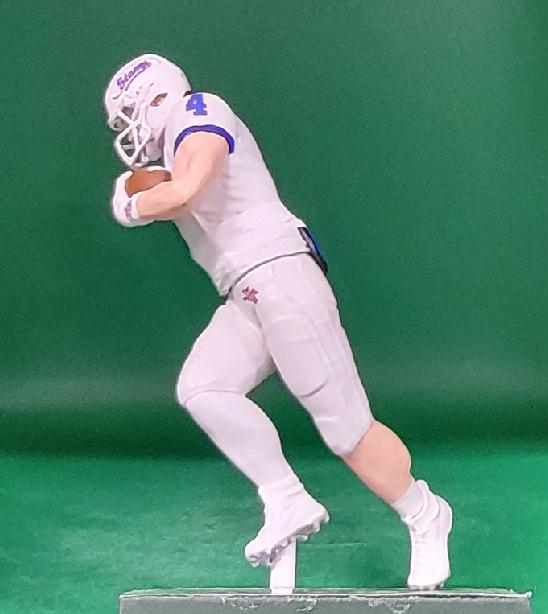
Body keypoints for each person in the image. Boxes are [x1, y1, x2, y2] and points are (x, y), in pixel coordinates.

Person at [104, 53, 452, 589]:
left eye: (130, 113)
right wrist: (138, 186)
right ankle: (285, 497)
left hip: (280, 275)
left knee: (346, 430)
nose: (129, 128)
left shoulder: (199, 112)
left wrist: (130, 205)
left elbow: (186, 189)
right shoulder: (177, 143)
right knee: (203, 387)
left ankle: (424, 512)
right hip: (246, 291)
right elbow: (167, 182)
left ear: (156, 98)